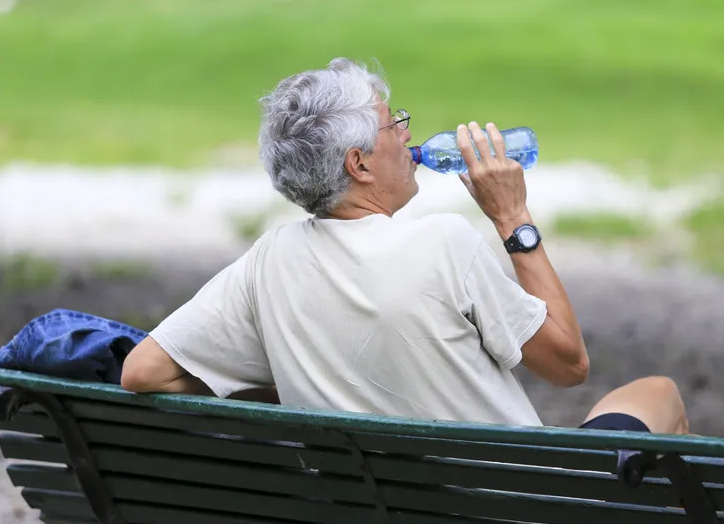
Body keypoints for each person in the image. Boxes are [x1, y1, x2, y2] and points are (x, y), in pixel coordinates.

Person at [121, 58, 689, 434]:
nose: (408, 135)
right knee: (656, 393)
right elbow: (568, 365)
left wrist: (294, 386)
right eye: (394, 124)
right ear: (358, 164)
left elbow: (142, 371)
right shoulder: (445, 243)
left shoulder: (267, 262)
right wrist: (514, 218)